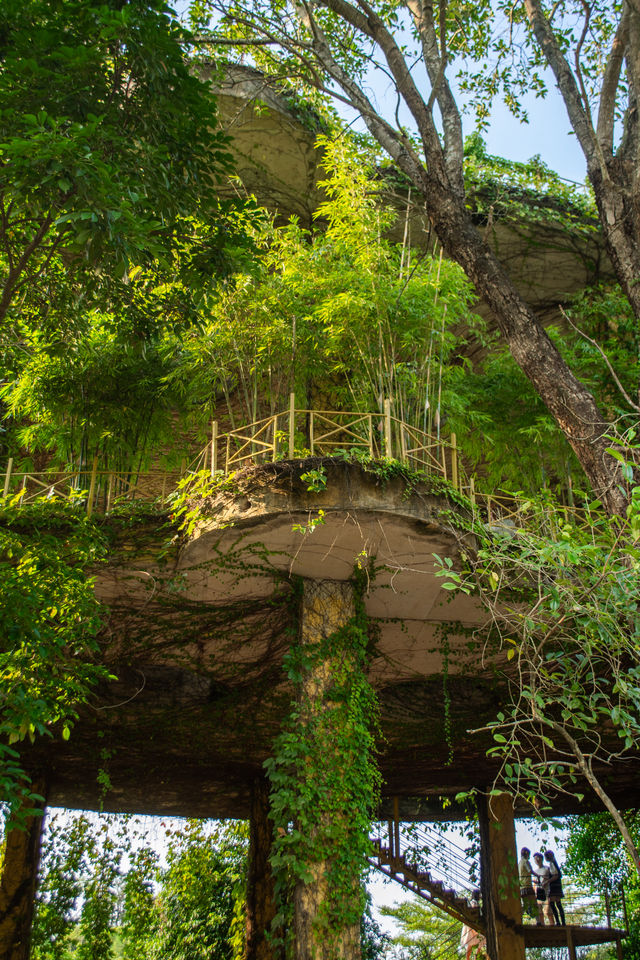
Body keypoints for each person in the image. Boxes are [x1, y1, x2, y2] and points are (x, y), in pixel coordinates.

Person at [519, 847, 543, 924]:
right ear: (526, 853)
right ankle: (538, 921)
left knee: (525, 905)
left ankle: (519, 918)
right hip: (528, 887)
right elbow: (530, 871)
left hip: (522, 887)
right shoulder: (526, 861)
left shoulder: (519, 863)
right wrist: (538, 875)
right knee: (534, 903)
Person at [460, 891, 487, 959]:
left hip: (471, 923)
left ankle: (469, 958)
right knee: (480, 940)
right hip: (472, 923)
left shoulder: (472, 902)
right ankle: (472, 958)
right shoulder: (474, 902)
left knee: (472, 942)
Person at [532, 851, 554, 925]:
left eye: (538, 858)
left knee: (548, 912)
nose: (537, 860)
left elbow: (552, 878)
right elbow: (534, 883)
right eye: (535, 859)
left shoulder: (547, 869)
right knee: (539, 913)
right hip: (538, 894)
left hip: (546, 893)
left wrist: (546, 882)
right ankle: (542, 927)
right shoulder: (534, 871)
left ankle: (553, 926)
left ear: (541, 859)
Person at [544, 850, 566, 926]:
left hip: (554, 886)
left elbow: (556, 875)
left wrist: (548, 881)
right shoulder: (554, 862)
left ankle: (558, 922)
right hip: (557, 885)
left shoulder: (552, 864)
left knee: (553, 904)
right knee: (558, 904)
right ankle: (562, 922)